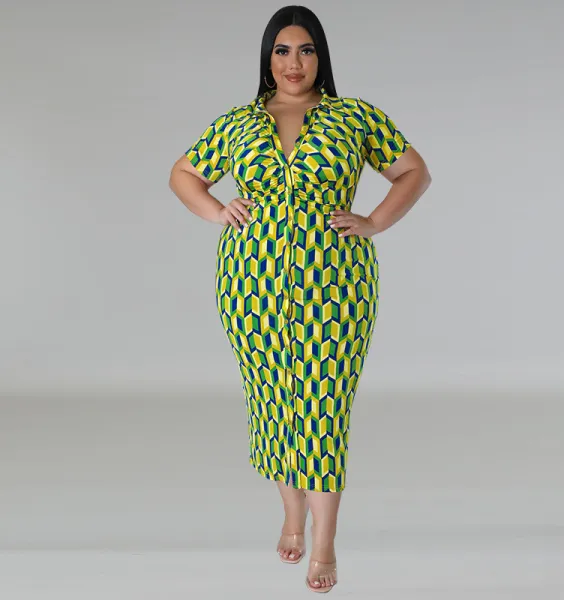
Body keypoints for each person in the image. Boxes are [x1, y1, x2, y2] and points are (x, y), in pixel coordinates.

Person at [169, 5, 431, 593]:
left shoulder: (353, 117)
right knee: (273, 404)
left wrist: (373, 221)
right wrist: (217, 210)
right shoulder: (239, 123)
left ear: (321, 57)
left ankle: (325, 539)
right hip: (251, 286)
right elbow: (183, 174)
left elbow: (413, 172)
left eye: (306, 50)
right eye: (283, 50)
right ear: (268, 58)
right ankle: (291, 515)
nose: (294, 62)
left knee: (323, 408)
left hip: (335, 287)